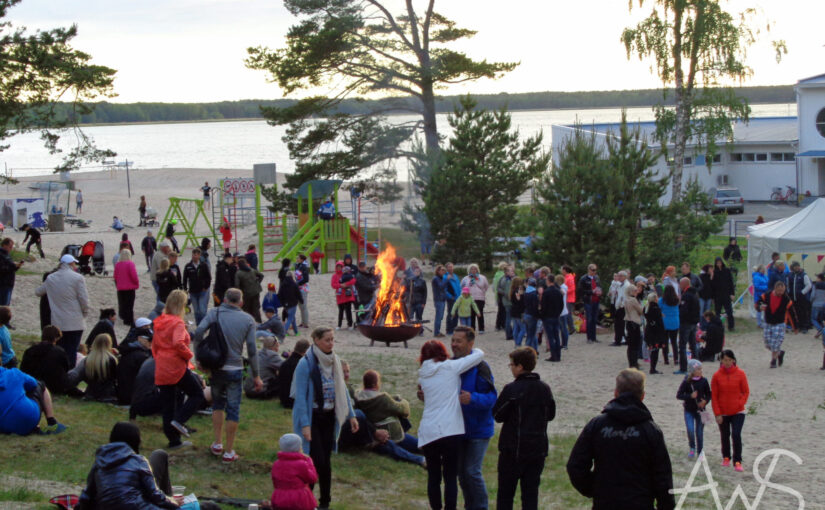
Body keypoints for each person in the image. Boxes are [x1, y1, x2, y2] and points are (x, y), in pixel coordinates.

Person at [567, 369, 674, 510]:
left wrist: (595, 488)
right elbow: (663, 477)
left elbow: (576, 466)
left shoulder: (597, 425)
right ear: (642, 396)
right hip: (639, 501)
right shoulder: (650, 430)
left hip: (606, 502)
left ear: (616, 393)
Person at [291, 327, 358, 510]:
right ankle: (307, 499)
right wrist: (304, 424)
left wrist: (351, 415)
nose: (331, 343)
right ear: (317, 340)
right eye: (327, 340)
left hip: (329, 416)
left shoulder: (334, 360)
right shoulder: (306, 364)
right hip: (313, 417)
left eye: (332, 339)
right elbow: (301, 398)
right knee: (315, 459)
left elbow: (342, 389)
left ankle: (325, 502)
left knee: (326, 461)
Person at [195, 288, 262, 462]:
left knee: (218, 404)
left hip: (217, 366)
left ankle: (217, 443)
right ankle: (229, 450)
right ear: (241, 302)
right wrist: (256, 375)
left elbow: (199, 331)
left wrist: (199, 357)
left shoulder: (214, 312)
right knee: (233, 409)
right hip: (235, 368)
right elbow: (252, 350)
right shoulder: (248, 320)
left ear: (224, 300)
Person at [417, 339, 484, 510]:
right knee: (450, 476)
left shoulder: (423, 373)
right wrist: (470, 346)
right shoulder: (450, 367)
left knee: (433, 476)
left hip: (429, 429)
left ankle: (436, 507)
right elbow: (479, 355)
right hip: (450, 428)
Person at [493, 346, 556, 510]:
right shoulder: (544, 388)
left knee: (506, 495)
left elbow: (497, 415)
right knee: (530, 495)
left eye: (512, 365)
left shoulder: (512, 389)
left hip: (513, 449)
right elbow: (551, 414)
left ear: (520, 367)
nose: (511, 368)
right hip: (537, 450)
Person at [77, 422, 182, 509]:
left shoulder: (99, 463)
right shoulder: (138, 460)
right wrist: (174, 504)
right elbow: (154, 495)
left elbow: (86, 496)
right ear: (136, 441)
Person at [153, 290, 205, 450]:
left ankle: (173, 440)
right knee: (197, 394)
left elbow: (154, 345)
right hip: (175, 365)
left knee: (168, 404)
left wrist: (159, 358)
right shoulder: (177, 322)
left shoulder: (160, 321)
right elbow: (178, 343)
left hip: (162, 364)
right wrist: (189, 355)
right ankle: (180, 420)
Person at [451, 326, 496, 510]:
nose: (454, 344)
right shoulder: (450, 364)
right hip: (458, 428)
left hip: (478, 430)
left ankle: (482, 507)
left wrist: (473, 398)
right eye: (453, 340)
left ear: (471, 344)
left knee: (472, 471)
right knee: (462, 473)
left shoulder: (481, 367)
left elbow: (492, 398)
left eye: (458, 341)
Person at [354, 369, 425, 466]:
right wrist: (403, 401)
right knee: (407, 447)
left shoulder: (359, 399)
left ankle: (430, 454)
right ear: (376, 384)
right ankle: (424, 459)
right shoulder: (383, 399)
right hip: (390, 435)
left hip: (377, 434)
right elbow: (404, 410)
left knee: (410, 444)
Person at [35, 254, 90, 368]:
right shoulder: (78, 278)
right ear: (71, 264)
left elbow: (38, 292)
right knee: (72, 350)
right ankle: (68, 375)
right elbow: (83, 300)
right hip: (75, 321)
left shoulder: (51, 278)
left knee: (59, 349)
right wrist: (84, 313)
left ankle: (59, 372)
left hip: (58, 322)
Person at [711, 350, 750, 472]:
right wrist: (717, 413)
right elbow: (714, 396)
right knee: (725, 435)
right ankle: (726, 457)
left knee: (736, 434)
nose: (727, 362)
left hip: (738, 411)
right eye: (725, 360)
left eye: (729, 360)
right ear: (721, 361)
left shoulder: (740, 374)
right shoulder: (716, 376)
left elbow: (746, 391)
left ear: (733, 360)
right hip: (723, 412)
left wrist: (740, 403)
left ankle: (737, 460)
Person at [0, 365, 66, 435]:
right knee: (40, 385)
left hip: (3, 428)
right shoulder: (14, 373)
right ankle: (52, 422)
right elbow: (33, 383)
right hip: (30, 418)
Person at [271, 433, 318, 510]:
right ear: (298, 448)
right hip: (299, 499)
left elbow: (275, 482)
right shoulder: (301, 464)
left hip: (279, 497)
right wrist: (309, 462)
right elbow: (312, 478)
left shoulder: (276, 464)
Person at [20, 325, 72, 395]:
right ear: (55, 338)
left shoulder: (30, 350)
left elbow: (23, 368)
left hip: (34, 382)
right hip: (55, 385)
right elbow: (66, 368)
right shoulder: (60, 351)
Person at [677, 359, 711, 459]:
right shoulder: (686, 381)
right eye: (698, 369)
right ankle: (692, 447)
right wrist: (690, 396)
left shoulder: (704, 381)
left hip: (701, 410)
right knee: (690, 430)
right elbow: (679, 395)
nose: (700, 371)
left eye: (701, 369)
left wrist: (705, 401)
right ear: (692, 371)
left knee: (699, 432)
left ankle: (700, 451)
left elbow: (709, 394)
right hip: (689, 410)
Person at [70, 333, 119, 403]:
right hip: (107, 395)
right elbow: (115, 378)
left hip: (91, 393)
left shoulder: (89, 359)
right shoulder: (111, 359)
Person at [116, 318, 153, 405]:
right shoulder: (140, 355)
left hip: (124, 393)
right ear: (140, 339)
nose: (151, 343)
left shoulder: (129, 349)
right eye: (149, 340)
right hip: (132, 396)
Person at [756, 281, 792, 368]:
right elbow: (758, 303)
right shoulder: (766, 296)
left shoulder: (786, 299)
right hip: (768, 322)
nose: (781, 293)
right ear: (775, 289)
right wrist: (760, 307)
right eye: (779, 291)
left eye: (782, 291)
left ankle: (773, 361)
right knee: (768, 343)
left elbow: (792, 312)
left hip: (780, 323)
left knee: (775, 343)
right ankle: (780, 353)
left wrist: (795, 326)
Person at [245, 331, 284, 399]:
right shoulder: (271, 355)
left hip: (248, 390)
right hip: (258, 391)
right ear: (275, 346)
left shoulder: (259, 353)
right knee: (282, 379)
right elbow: (285, 367)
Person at [676, 277, 700, 375]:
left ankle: (683, 368)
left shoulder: (686, 296)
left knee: (682, 346)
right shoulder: (695, 294)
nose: (679, 286)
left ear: (684, 284)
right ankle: (696, 366)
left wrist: (681, 316)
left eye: (680, 284)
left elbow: (683, 310)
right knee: (693, 345)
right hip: (693, 322)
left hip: (686, 323)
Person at [278, 338, 310, 409]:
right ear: (306, 351)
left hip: (283, 399)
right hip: (294, 401)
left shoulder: (285, 363)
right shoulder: (301, 364)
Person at [183, 247, 211, 325]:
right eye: (193, 255)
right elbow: (185, 278)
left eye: (196, 255)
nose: (194, 256)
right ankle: (199, 326)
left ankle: (204, 325)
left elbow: (208, 277)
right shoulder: (188, 266)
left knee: (202, 310)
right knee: (196, 311)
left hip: (202, 291)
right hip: (193, 292)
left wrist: (206, 287)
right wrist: (185, 289)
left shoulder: (204, 265)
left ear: (199, 256)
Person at [539, 275, 565, 362]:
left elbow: (543, 306)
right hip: (556, 316)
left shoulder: (546, 292)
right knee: (557, 336)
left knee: (551, 337)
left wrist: (542, 315)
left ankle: (553, 355)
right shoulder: (558, 292)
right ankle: (558, 355)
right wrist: (558, 313)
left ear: (549, 281)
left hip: (548, 317)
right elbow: (561, 305)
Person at [114, 249, 140, 326]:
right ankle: (129, 320)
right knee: (130, 305)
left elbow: (115, 276)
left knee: (123, 304)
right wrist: (136, 283)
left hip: (121, 288)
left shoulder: (118, 264)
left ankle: (124, 317)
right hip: (130, 288)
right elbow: (134, 276)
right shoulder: (130, 264)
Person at [460, 264, 489, 334]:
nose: (473, 270)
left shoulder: (482, 278)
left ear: (477, 269)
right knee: (471, 314)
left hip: (480, 298)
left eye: (475, 269)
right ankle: (472, 329)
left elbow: (486, 286)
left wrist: (482, 292)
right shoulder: (466, 278)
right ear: (469, 270)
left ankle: (481, 329)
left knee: (480, 313)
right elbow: (461, 287)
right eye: (472, 269)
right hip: (469, 298)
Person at [577, 264, 602, 344]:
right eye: (593, 270)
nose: (594, 272)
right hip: (588, 301)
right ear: (589, 270)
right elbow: (580, 291)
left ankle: (594, 337)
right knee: (589, 319)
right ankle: (589, 338)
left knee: (594, 319)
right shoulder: (583, 279)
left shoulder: (597, 278)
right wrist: (591, 292)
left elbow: (599, 286)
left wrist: (600, 292)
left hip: (596, 300)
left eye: (595, 270)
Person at [235, 257, 264, 323]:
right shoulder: (252, 270)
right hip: (256, 291)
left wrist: (240, 293)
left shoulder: (238, 273)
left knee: (246, 309)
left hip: (246, 293)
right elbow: (261, 275)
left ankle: (248, 323)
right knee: (256, 309)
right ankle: (259, 323)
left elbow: (237, 285)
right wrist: (257, 282)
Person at [643, 292, 666, 374]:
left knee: (652, 349)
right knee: (655, 351)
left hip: (649, 330)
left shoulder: (646, 308)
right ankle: (653, 368)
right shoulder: (656, 309)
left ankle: (652, 368)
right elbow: (659, 323)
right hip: (656, 332)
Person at [710, 257, 736, 332]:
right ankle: (718, 327)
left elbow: (731, 282)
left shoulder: (727, 271)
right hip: (717, 296)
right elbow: (712, 286)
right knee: (717, 312)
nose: (719, 264)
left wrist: (732, 293)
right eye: (717, 262)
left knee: (729, 311)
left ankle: (731, 327)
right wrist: (712, 297)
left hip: (726, 294)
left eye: (720, 262)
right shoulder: (714, 272)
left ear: (722, 262)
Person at [787, 261, 812, 333]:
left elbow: (809, 285)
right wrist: (789, 292)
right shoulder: (790, 275)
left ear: (799, 267)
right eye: (795, 266)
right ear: (793, 267)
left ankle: (804, 327)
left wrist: (802, 292)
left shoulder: (804, 275)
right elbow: (788, 285)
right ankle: (798, 326)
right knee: (796, 312)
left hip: (801, 298)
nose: (796, 267)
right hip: (793, 297)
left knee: (803, 312)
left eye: (797, 266)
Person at [331, 261, 356, 330]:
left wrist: (346, 284)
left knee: (348, 310)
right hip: (339, 295)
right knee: (341, 310)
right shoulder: (334, 276)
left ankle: (350, 324)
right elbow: (333, 285)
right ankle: (339, 325)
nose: (339, 268)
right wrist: (340, 285)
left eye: (340, 267)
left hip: (347, 294)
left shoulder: (346, 273)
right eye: (337, 267)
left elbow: (353, 280)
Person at [659, 284, 680, 367]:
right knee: (674, 342)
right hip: (675, 321)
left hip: (665, 322)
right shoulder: (676, 300)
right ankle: (676, 359)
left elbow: (659, 309)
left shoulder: (662, 300)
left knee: (665, 341)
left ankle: (666, 359)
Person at [623, 284, 643, 369]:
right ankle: (634, 364)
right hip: (634, 323)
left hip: (628, 322)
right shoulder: (633, 300)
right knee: (635, 345)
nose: (636, 292)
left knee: (630, 346)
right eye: (635, 290)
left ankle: (631, 363)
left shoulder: (626, 299)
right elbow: (641, 310)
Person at [278, 270, 303, 336]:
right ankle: (284, 332)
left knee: (292, 318)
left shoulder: (283, 284)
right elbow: (298, 294)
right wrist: (301, 300)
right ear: (292, 276)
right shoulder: (294, 284)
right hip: (293, 303)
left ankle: (296, 332)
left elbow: (280, 294)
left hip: (285, 304)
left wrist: (282, 302)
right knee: (290, 318)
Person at [0, 238, 23, 306]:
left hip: (9, 283)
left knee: (6, 305)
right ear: (4, 245)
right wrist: (12, 267)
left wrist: (17, 266)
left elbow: (10, 268)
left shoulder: (7, 254)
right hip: (3, 283)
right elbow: (2, 269)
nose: (11, 248)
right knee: (3, 306)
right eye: (10, 247)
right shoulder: (1, 255)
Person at [610, 271, 630, 346]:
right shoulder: (621, 284)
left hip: (622, 307)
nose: (619, 278)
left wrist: (620, 305)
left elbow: (623, 297)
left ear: (624, 277)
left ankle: (618, 340)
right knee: (620, 324)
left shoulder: (626, 285)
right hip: (619, 306)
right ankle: (623, 338)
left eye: (620, 276)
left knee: (619, 324)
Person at [444, 262, 461, 335]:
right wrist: (450, 296)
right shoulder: (445, 277)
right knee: (451, 313)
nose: (450, 268)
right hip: (451, 298)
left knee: (456, 314)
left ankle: (455, 328)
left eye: (451, 267)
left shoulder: (455, 276)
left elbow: (459, 287)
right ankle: (449, 330)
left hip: (458, 298)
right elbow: (444, 289)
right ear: (446, 268)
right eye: (449, 267)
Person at [295, 254, 311, 327]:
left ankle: (306, 323)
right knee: (300, 306)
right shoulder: (298, 266)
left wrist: (298, 283)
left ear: (302, 259)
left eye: (298, 258)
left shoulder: (304, 267)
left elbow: (306, 279)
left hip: (303, 287)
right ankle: (303, 321)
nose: (297, 259)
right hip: (298, 287)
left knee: (303, 306)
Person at [509, 277, 526, 346]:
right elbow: (520, 301)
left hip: (513, 311)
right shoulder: (519, 291)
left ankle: (516, 343)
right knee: (523, 329)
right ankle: (518, 342)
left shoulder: (512, 290)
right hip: (520, 312)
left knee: (515, 328)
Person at [562, 265, 577, 335]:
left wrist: (564, 291)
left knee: (568, 314)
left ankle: (572, 328)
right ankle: (569, 328)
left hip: (569, 298)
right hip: (566, 298)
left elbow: (572, 288)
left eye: (562, 270)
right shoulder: (566, 277)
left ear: (565, 270)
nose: (562, 271)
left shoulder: (570, 278)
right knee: (567, 314)